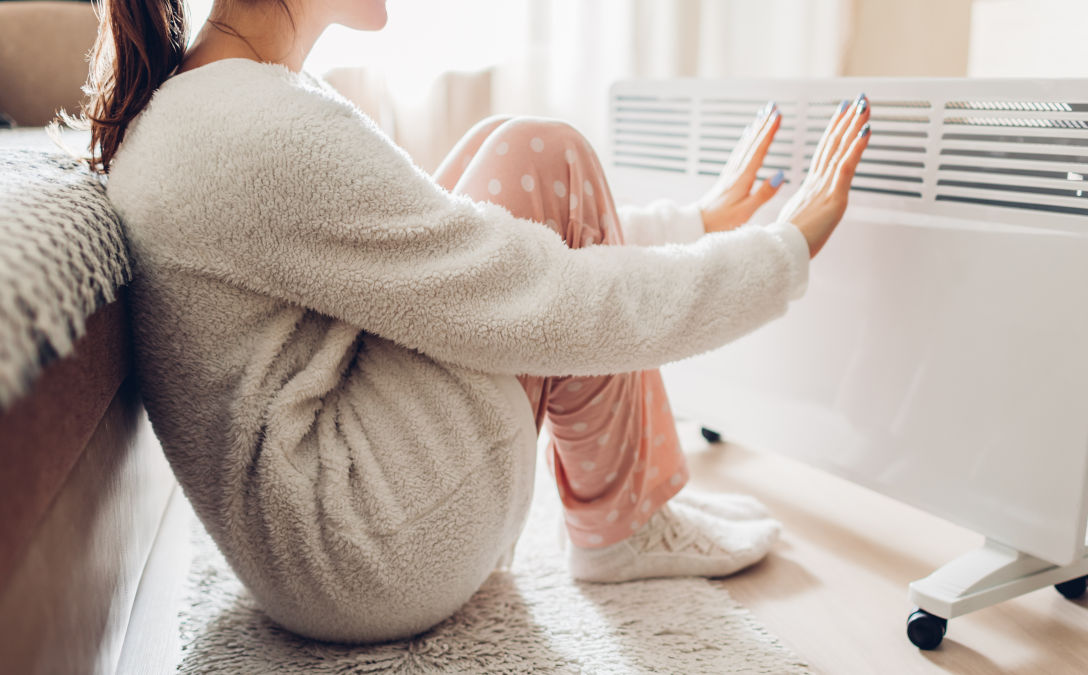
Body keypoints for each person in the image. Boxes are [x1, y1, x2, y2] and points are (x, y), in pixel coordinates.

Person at [85, 0, 871, 643]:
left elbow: (441, 250)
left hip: (313, 548)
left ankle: (626, 508)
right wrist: (780, 253)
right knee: (543, 152)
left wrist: (695, 224)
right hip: (372, 551)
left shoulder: (209, 103)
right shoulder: (261, 128)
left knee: (511, 158)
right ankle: (623, 523)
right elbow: (537, 295)